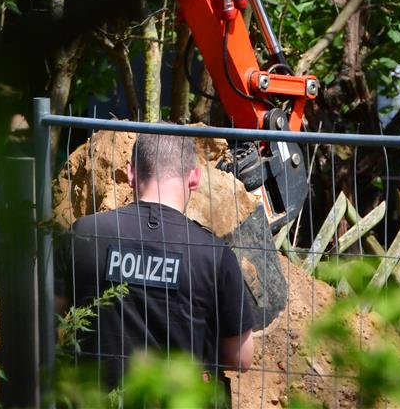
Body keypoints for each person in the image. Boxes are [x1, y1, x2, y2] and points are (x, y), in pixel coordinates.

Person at [56, 132, 256, 390]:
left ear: (130, 174)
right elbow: (241, 358)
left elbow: (44, 318)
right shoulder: (215, 254)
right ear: (193, 178)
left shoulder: (84, 234)